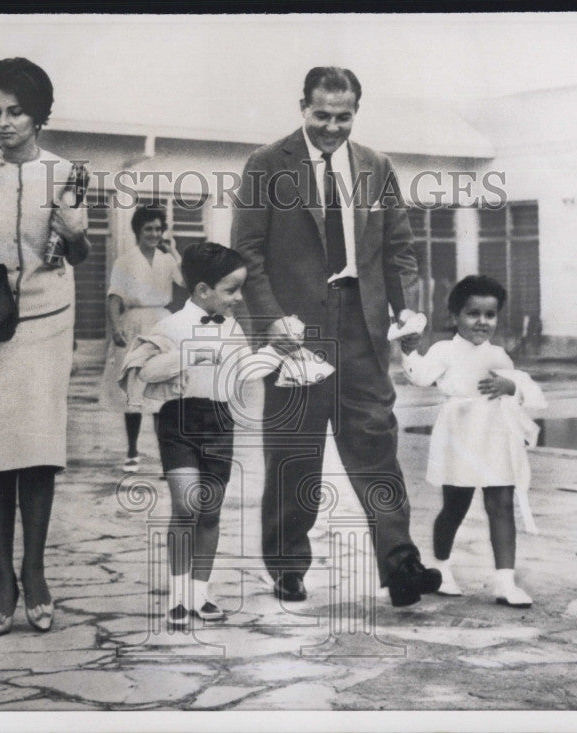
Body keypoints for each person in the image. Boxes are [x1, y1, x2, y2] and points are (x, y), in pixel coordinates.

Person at [232, 66, 441, 607]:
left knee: (376, 445)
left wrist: (406, 312)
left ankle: (400, 566)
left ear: (356, 112)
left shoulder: (377, 166)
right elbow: (247, 255)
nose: (331, 127)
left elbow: (398, 250)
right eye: (321, 115)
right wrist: (271, 322)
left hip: (362, 327)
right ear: (303, 106)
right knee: (294, 453)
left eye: (343, 117)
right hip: (294, 332)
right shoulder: (265, 165)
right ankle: (286, 565)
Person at [0, 57, 90, 635]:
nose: (4, 123)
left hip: (48, 319)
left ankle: (36, 571)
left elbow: (76, 255)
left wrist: (77, 236)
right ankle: (3, 582)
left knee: (37, 449)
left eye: (16, 112)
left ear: (39, 115)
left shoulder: (66, 172)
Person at [122, 242, 283, 628]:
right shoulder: (171, 326)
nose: (238, 298)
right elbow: (144, 371)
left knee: (209, 513)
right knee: (186, 508)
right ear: (202, 291)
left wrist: (278, 352)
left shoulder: (233, 328)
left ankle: (199, 595)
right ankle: (177, 597)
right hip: (179, 422)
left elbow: (247, 372)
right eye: (231, 290)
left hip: (219, 422)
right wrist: (191, 354)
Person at [400, 275, 546, 608]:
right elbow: (421, 376)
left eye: (490, 315)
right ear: (454, 316)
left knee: (502, 505)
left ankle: (505, 582)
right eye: (473, 313)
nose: (482, 322)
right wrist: (409, 352)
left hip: (495, 436)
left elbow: (520, 389)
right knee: (455, 505)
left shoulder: (499, 355)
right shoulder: (444, 350)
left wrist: (511, 388)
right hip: (460, 436)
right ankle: (441, 566)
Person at [101, 205, 184, 473]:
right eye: (149, 228)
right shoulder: (125, 261)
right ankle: (132, 452)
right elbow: (114, 298)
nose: (154, 233)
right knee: (134, 389)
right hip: (134, 323)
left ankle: (165, 458)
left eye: (159, 229)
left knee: (162, 391)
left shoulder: (167, 260)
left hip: (161, 324)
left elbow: (186, 281)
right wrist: (116, 328)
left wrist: (173, 250)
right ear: (138, 230)